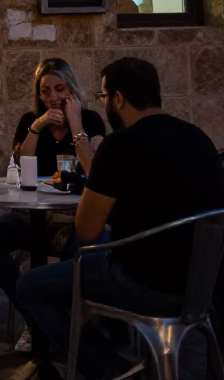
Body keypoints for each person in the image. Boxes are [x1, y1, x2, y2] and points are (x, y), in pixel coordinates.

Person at [17, 58, 224, 380]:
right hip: (203, 285)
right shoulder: (197, 137)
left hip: (143, 282)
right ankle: (111, 343)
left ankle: (112, 371)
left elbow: (86, 229)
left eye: (103, 97)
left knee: (30, 285)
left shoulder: (119, 145)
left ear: (118, 99)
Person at [0, 58, 107, 349]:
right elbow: (20, 166)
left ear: (71, 90)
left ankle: (66, 325)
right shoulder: (30, 122)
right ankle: (36, 318)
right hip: (35, 215)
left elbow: (97, 169)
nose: (52, 97)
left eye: (60, 89)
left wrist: (75, 123)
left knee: (77, 248)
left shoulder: (90, 120)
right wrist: (36, 127)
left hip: (75, 218)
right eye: (45, 91)